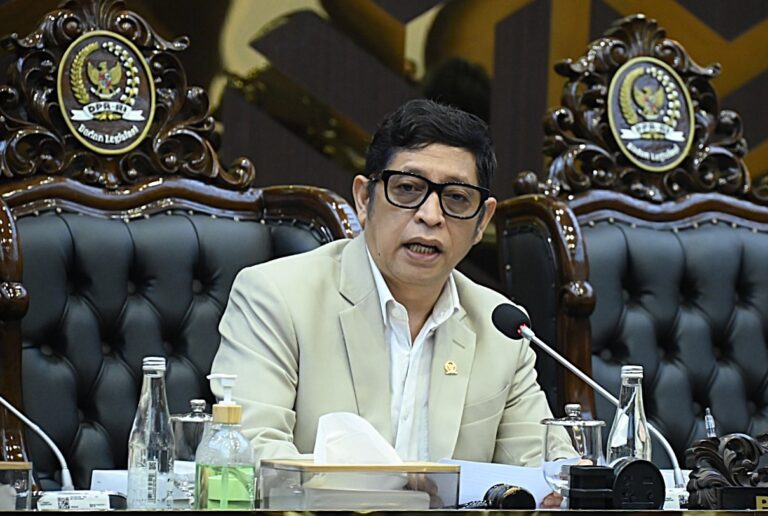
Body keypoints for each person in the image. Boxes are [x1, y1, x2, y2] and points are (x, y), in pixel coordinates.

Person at [211, 99, 574, 468]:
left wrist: (570, 476)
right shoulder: (277, 297)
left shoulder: (502, 327)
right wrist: (396, 491)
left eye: (456, 198)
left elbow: (547, 466)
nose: (430, 216)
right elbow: (247, 454)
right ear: (364, 199)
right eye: (408, 189)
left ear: (482, 222)